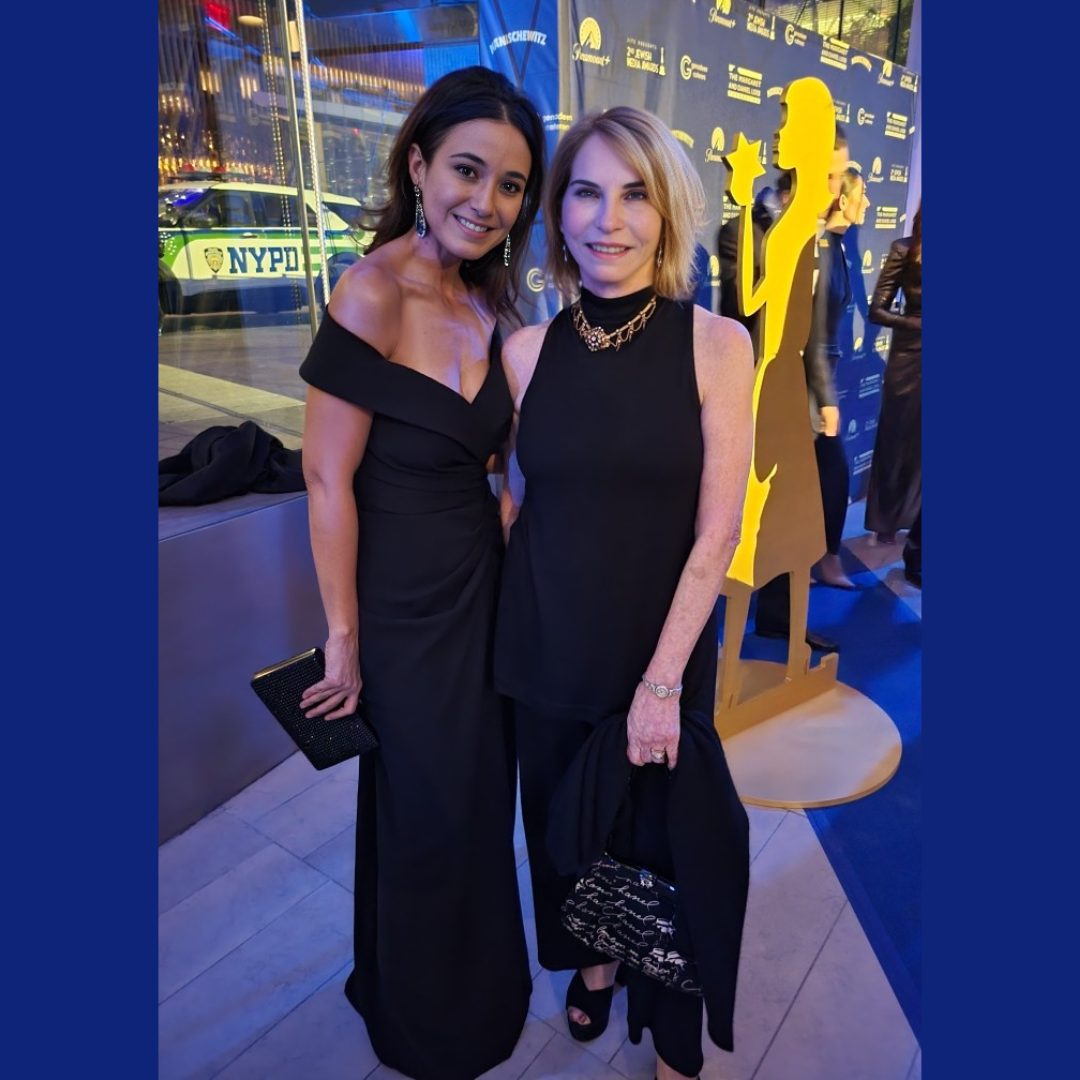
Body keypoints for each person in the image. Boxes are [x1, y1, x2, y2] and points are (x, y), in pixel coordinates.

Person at [295, 66, 544, 1080]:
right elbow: (325, 479)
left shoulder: (489, 301)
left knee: (480, 799)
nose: (486, 202)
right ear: (417, 165)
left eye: (512, 184)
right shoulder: (371, 290)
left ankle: (476, 988)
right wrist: (341, 636)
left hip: (484, 589)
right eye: (467, 171)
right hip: (401, 606)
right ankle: (422, 1017)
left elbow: (495, 460)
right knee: (426, 805)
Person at [495, 107, 754, 1080]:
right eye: (586, 194)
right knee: (565, 838)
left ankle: (675, 1041)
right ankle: (593, 964)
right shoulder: (525, 352)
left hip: (659, 657)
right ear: (558, 214)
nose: (609, 220)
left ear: (668, 211)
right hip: (547, 654)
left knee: (666, 849)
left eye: (635, 195)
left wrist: (660, 683)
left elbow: (717, 531)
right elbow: (523, 504)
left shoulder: (716, 345)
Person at [865, 203, 922, 581]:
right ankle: (885, 521)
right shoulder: (904, 249)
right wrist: (916, 323)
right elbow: (877, 311)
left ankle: (915, 525)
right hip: (908, 360)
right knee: (896, 442)